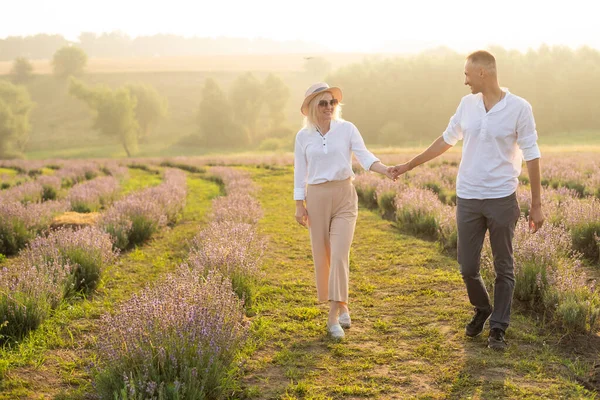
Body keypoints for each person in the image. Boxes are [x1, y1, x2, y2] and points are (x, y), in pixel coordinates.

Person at [389, 50, 544, 350]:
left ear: (483, 73)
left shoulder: (520, 108)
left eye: (467, 74)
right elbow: (446, 140)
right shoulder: (467, 105)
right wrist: (409, 165)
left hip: (501, 197)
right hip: (469, 197)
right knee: (467, 266)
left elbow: (532, 154)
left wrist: (536, 204)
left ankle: (498, 327)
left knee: (504, 267)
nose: (465, 80)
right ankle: (483, 308)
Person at [294, 82, 394, 339]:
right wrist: (298, 204)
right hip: (316, 197)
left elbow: (364, 155)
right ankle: (344, 304)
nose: (329, 107)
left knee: (339, 254)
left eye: (332, 103)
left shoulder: (347, 129)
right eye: (323, 103)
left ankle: (332, 318)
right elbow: (299, 172)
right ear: (313, 107)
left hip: (344, 197)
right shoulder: (303, 137)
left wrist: (386, 170)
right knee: (323, 255)